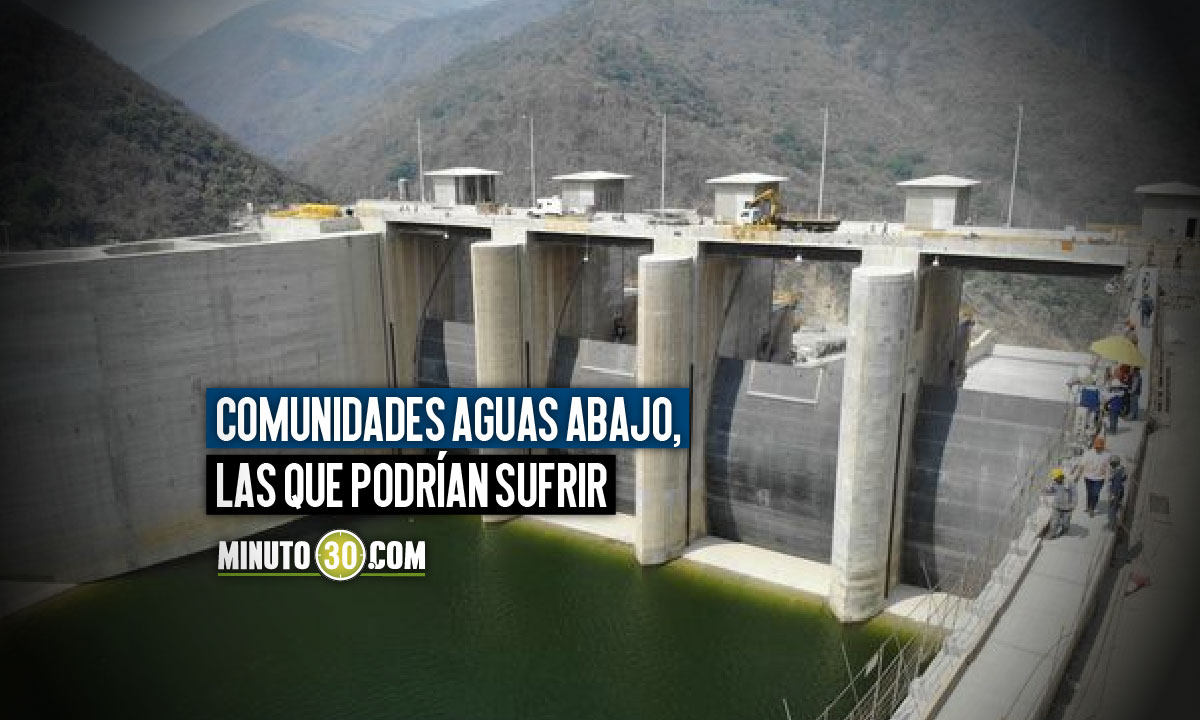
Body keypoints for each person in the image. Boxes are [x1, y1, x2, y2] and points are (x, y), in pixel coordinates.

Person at [1080, 435, 1111, 517]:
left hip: (1099, 478)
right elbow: (1082, 465)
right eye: (1097, 447)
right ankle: (1088, 506)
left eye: (1100, 447)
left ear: (1102, 447)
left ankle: (1092, 509)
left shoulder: (1107, 455)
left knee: (1095, 493)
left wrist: (1107, 479)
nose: (1098, 449)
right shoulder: (1088, 453)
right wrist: (1078, 474)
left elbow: (1108, 468)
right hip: (1088, 477)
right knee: (1089, 492)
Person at [1044, 467, 1077, 539]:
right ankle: (1052, 534)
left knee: (1065, 522)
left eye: (1056, 478)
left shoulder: (1069, 483)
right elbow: (1051, 490)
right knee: (1054, 521)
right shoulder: (1054, 483)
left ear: (1060, 476)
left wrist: (1073, 504)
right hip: (1057, 505)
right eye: (1054, 478)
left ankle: (1065, 529)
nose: (1055, 480)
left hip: (1067, 507)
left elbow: (1074, 494)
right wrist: (1046, 490)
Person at [1107, 456, 1128, 531]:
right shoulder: (1122, 469)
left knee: (1112, 509)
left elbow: (1115, 483)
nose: (1110, 465)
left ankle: (1112, 526)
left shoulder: (1116, 472)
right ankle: (1115, 524)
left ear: (1114, 464)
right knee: (1116, 507)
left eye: (1111, 464)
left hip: (1115, 492)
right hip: (1121, 490)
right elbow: (1124, 478)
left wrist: (1112, 495)